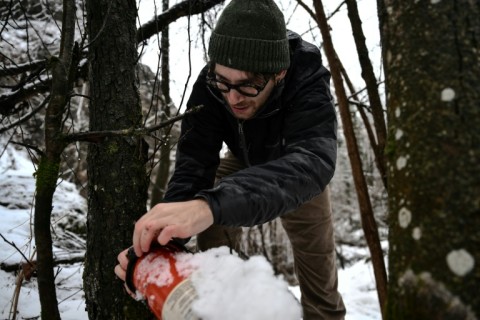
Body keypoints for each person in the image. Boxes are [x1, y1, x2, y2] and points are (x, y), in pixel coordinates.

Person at [115, 0, 346, 318]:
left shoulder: (307, 79)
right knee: (206, 201)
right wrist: (164, 243)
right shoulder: (209, 86)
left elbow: (314, 159)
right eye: (223, 82)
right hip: (240, 161)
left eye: (248, 86)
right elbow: (194, 164)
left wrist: (210, 205)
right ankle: (221, 305)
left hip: (296, 170)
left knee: (320, 283)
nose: (232, 97)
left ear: (279, 73)